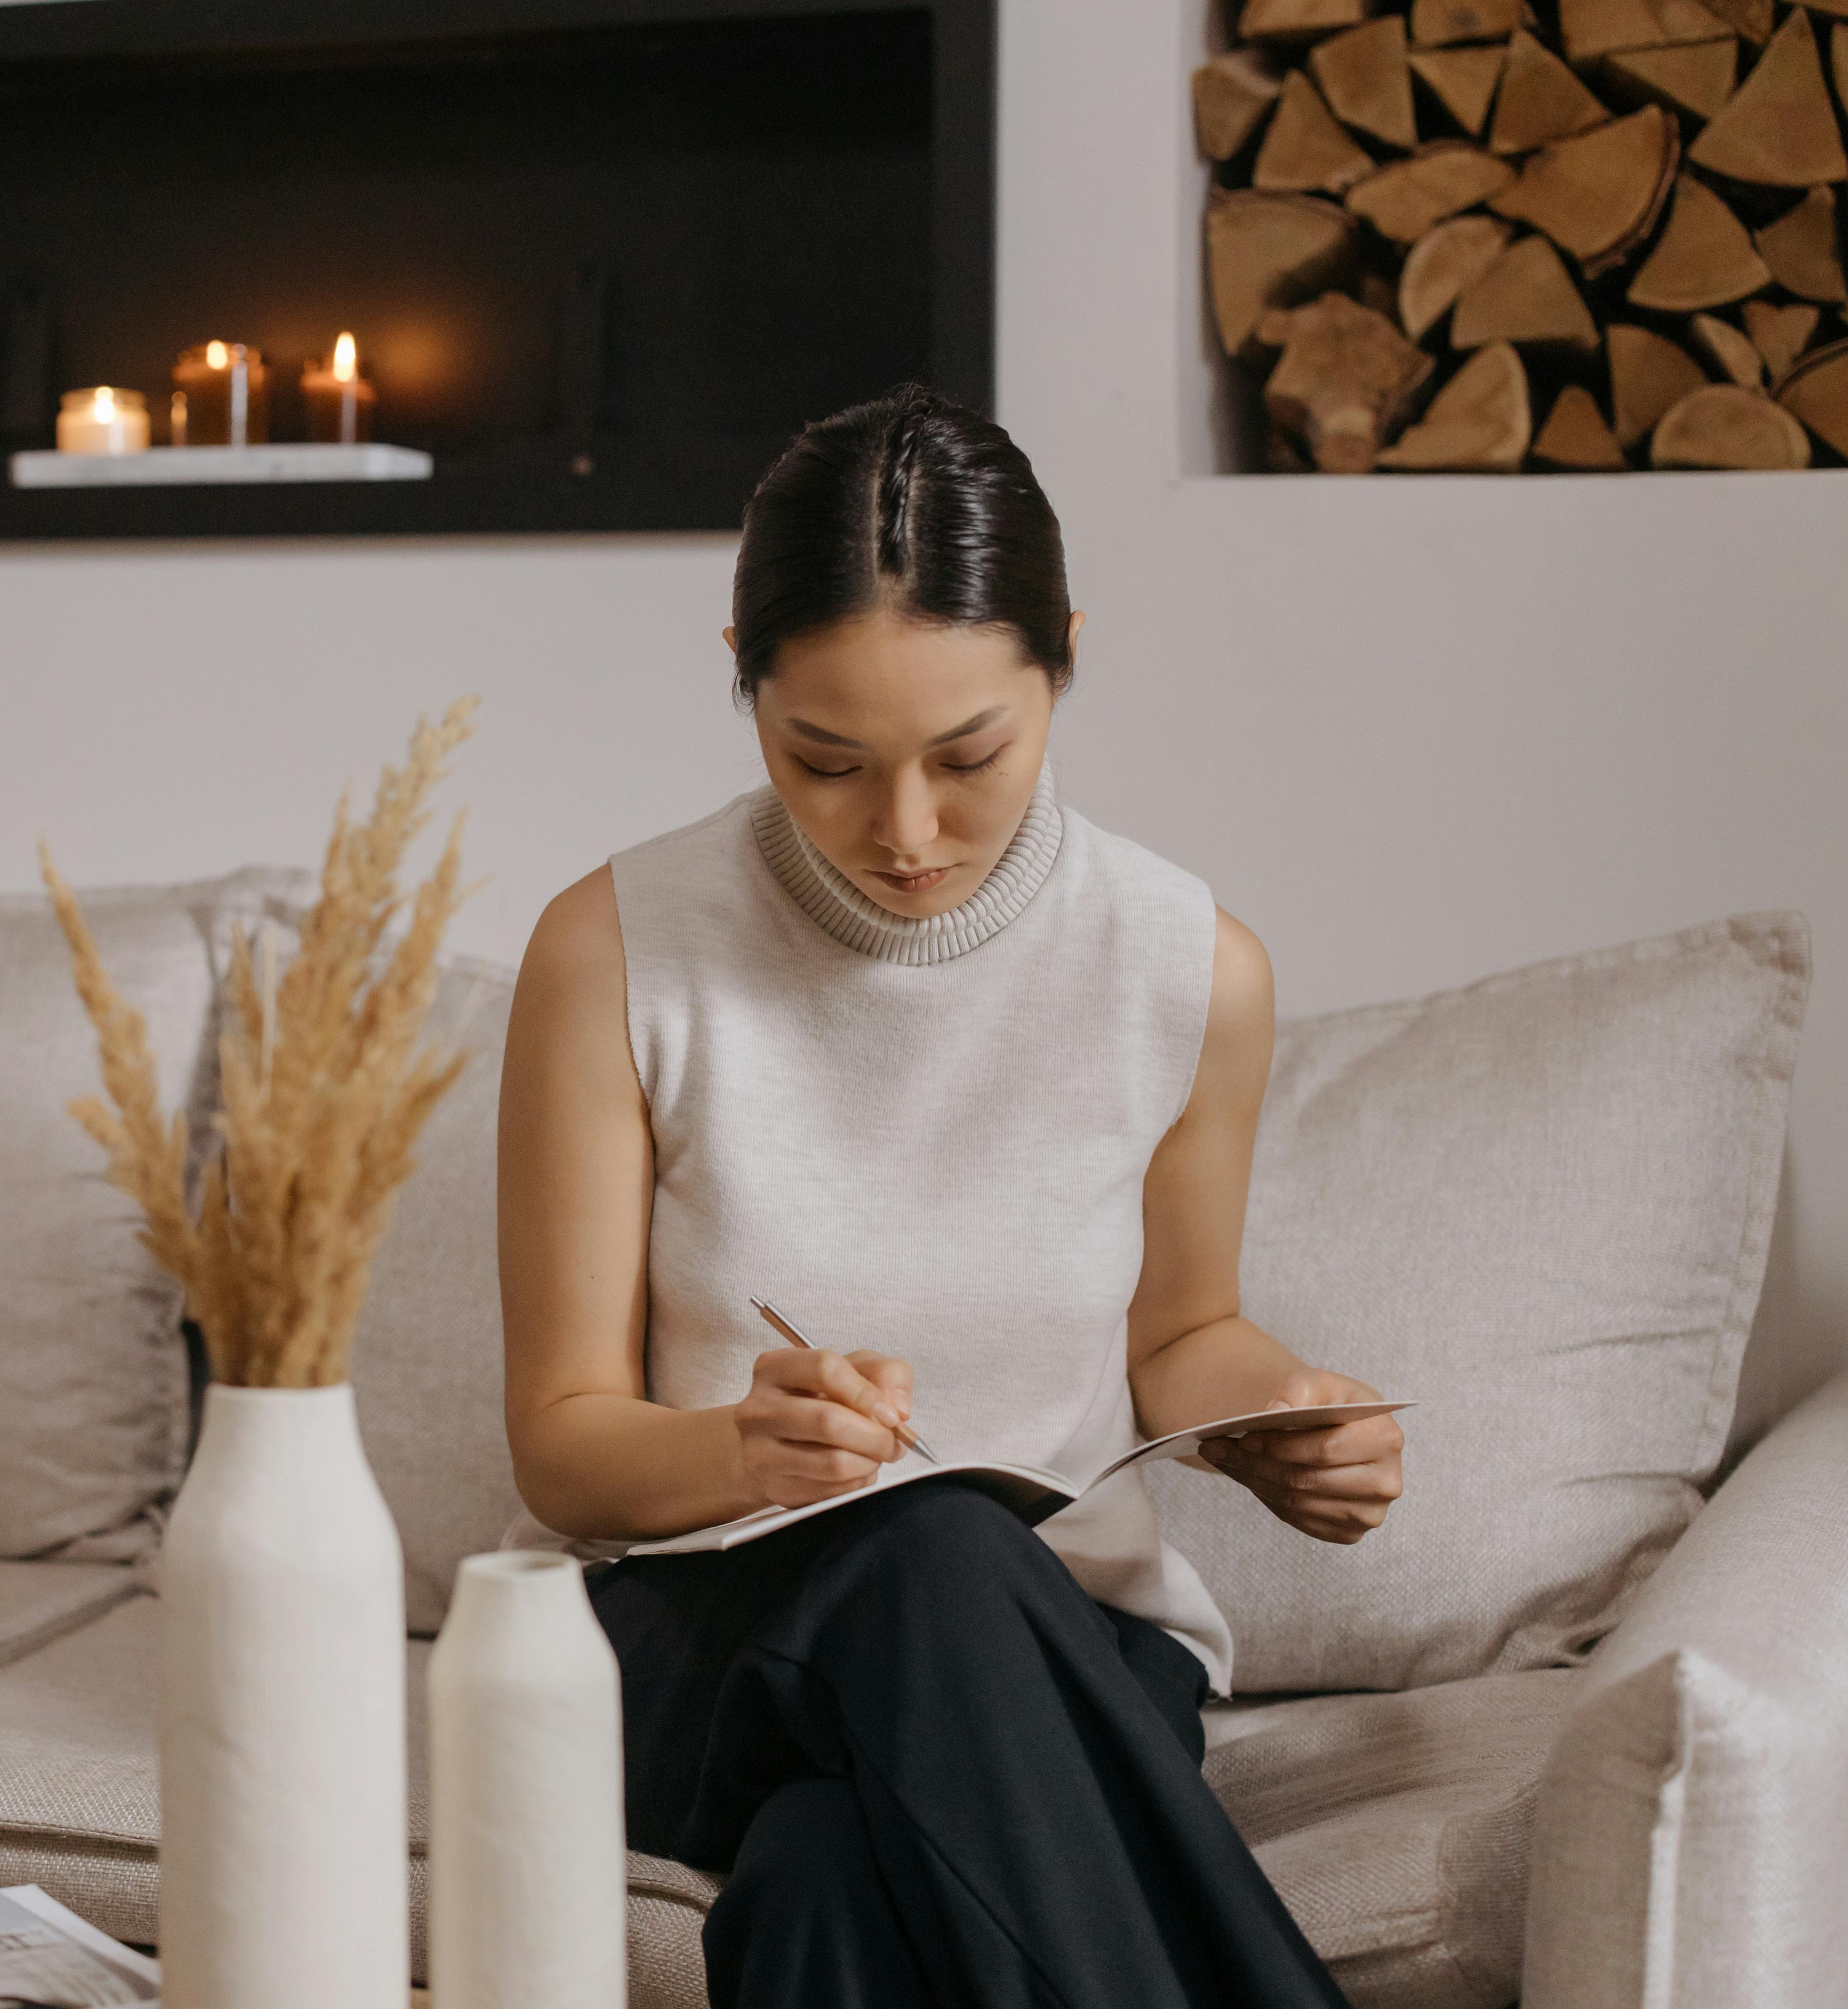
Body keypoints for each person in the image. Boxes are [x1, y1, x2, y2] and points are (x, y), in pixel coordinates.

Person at [495, 382, 1405, 2008]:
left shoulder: (1189, 966)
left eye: (968, 755)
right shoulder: (616, 948)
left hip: (1059, 1652)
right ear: (741, 681)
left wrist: (1275, 1417)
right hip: (693, 1637)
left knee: (828, 1882)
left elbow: (1182, 1329)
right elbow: (563, 1442)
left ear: (1061, 654)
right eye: (822, 760)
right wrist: (737, 1448)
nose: (902, 835)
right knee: (921, 1550)